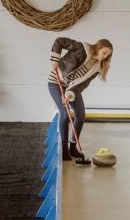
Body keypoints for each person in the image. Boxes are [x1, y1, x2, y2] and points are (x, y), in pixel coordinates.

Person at [47, 35, 112, 164]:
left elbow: (82, 84)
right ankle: (64, 148)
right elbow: (59, 41)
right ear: (98, 48)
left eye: (108, 55)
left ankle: (73, 147)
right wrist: (55, 59)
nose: (105, 56)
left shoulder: (97, 68)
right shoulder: (82, 48)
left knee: (81, 115)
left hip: (72, 88)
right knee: (64, 114)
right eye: (104, 52)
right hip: (56, 81)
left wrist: (70, 94)